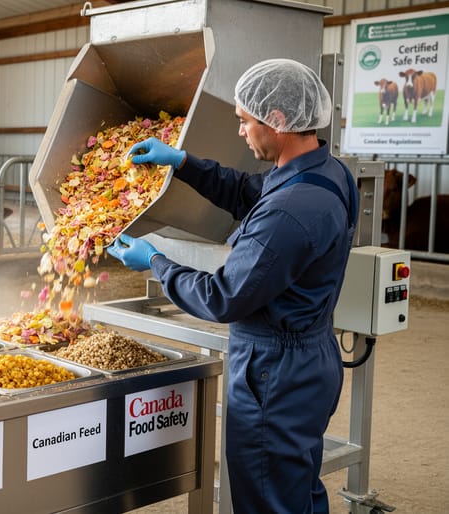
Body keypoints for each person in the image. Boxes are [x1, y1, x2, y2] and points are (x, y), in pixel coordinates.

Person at [107, 58, 359, 513]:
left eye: (246, 121)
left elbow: (221, 297)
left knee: (266, 497)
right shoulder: (326, 172)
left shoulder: (289, 212)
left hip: (274, 373)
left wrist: (156, 262)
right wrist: (183, 162)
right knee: (295, 487)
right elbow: (249, 192)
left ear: (277, 121)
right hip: (307, 360)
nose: (242, 131)